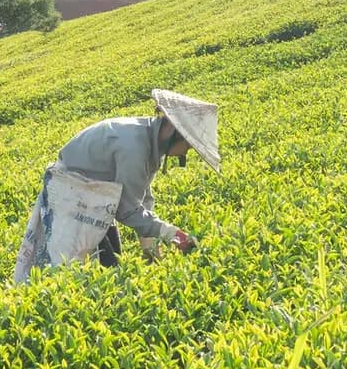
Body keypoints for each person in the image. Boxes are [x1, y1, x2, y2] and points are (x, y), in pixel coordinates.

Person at [12, 89, 219, 284]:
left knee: (110, 265)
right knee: (75, 272)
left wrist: (149, 248)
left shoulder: (149, 139)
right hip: (73, 194)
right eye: (188, 146)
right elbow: (127, 211)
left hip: (96, 197)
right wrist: (171, 233)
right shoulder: (135, 148)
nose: (184, 154)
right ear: (175, 131)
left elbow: (143, 197)